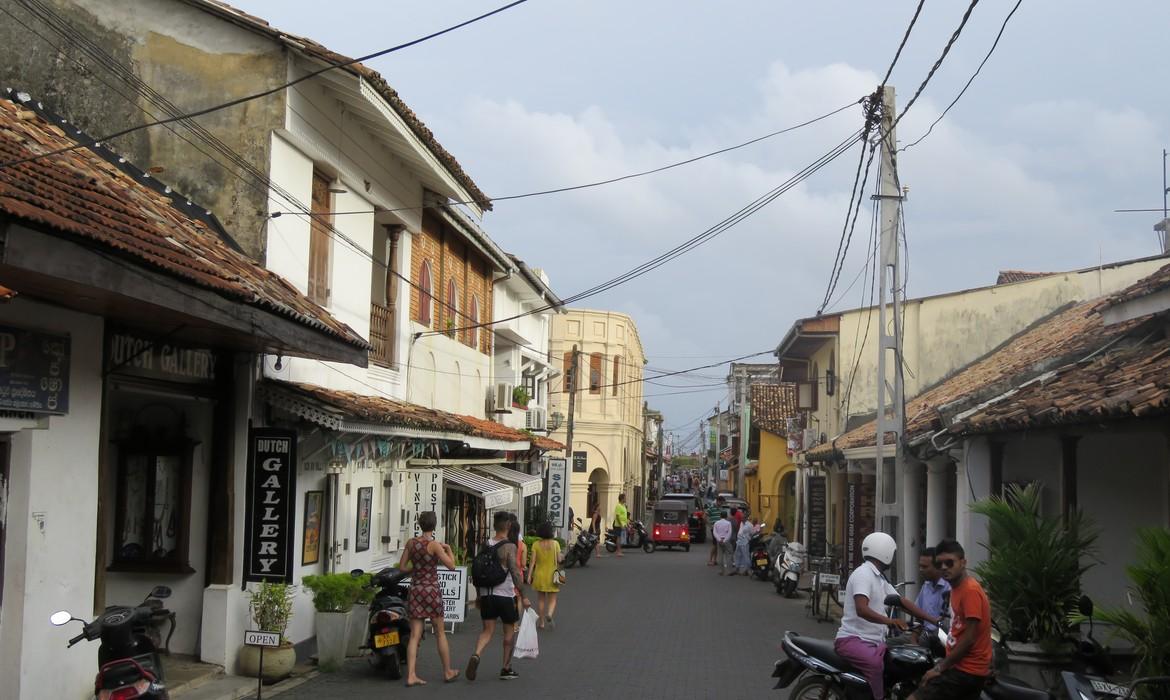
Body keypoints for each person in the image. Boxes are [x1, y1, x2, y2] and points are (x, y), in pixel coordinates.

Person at [835, 532, 939, 700]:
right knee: (875, 665)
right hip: (852, 639)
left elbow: (902, 602)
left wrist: (932, 619)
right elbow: (862, 609)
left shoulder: (879, 578)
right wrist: (890, 621)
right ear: (885, 552)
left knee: (902, 661)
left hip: (873, 642)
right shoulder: (863, 574)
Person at [910, 539, 993, 700]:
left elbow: (969, 639)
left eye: (949, 563)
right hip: (959, 666)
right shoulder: (956, 588)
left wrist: (940, 667)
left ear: (963, 562)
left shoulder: (970, 590)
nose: (944, 568)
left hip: (966, 671)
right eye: (939, 564)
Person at [466, 511, 531, 682]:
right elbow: (515, 573)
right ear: (508, 526)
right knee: (509, 633)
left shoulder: (484, 545)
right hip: (505, 596)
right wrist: (523, 595)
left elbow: (478, 571)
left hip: (487, 595)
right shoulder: (509, 546)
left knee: (487, 631)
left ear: (495, 526)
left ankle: (476, 654)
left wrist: (480, 595)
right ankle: (506, 668)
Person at [397, 511, 459, 687]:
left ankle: (411, 675)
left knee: (415, 635)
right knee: (440, 632)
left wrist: (415, 570)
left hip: (416, 590)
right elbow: (452, 566)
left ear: (419, 524)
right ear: (434, 525)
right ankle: (447, 671)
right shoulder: (435, 546)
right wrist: (448, 549)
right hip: (431, 591)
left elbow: (402, 567)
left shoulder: (411, 543)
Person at [525, 521, 562, 629]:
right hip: (553, 575)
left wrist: (529, 575)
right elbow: (559, 559)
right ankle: (549, 614)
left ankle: (541, 622)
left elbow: (532, 562)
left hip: (539, 575)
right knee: (553, 599)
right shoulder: (555, 544)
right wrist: (562, 556)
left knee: (541, 600)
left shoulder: (536, 544)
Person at [914, 547, 951, 649]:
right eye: (920, 566)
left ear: (938, 567)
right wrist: (913, 638)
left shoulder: (950, 587)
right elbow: (918, 616)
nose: (920, 570)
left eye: (925, 567)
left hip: (943, 639)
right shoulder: (926, 586)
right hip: (924, 634)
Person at [507, 517, 526, 625]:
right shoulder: (522, 545)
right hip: (518, 574)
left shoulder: (505, 543)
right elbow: (523, 563)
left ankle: (507, 620)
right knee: (518, 599)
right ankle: (515, 624)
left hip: (505, 574)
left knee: (507, 597)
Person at [712, 510, 734, 575]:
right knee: (729, 555)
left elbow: (714, 532)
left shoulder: (716, 523)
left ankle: (721, 571)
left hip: (719, 541)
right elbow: (730, 533)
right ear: (726, 516)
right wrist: (724, 540)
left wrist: (719, 539)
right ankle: (729, 571)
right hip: (726, 540)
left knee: (720, 555)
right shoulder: (728, 523)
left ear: (720, 516)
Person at [706, 496, 727, 566]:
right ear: (718, 501)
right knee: (715, 545)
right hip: (714, 529)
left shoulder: (721, 508)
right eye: (721, 502)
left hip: (720, 529)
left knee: (717, 545)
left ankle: (715, 560)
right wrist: (709, 524)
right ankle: (710, 560)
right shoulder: (711, 508)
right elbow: (705, 516)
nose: (722, 504)